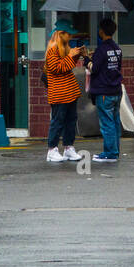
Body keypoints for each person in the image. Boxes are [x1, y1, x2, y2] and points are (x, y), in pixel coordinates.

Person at [44, 19, 85, 163]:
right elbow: (57, 69)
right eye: (69, 34)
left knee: (71, 121)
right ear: (61, 34)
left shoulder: (64, 47)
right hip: (59, 93)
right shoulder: (52, 49)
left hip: (70, 92)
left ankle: (68, 148)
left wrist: (77, 55)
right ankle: (52, 149)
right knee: (58, 121)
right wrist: (70, 56)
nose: (71, 37)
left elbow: (67, 67)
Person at [86, 17, 124, 163]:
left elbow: (94, 69)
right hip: (116, 90)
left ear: (101, 31)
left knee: (107, 123)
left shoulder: (102, 50)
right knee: (114, 122)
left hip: (104, 92)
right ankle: (115, 151)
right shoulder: (117, 49)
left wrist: (87, 60)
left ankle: (110, 153)